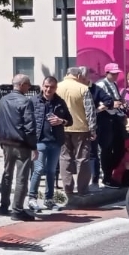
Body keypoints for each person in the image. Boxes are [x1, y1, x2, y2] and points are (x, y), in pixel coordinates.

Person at [0, 74, 39, 221]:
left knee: (7, 173)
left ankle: (3, 205)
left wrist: (1, 140)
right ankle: (17, 209)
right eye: (28, 84)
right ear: (21, 85)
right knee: (21, 176)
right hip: (21, 144)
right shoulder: (25, 102)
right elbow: (29, 126)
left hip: (7, 142)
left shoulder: (3, 100)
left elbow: (0, 121)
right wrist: (33, 146)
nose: (29, 87)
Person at [28, 76, 70, 212]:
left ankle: (49, 199)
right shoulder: (34, 101)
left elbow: (70, 120)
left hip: (55, 142)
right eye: (46, 86)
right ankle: (32, 198)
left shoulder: (59, 102)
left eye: (51, 87)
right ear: (42, 86)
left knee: (51, 171)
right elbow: (27, 120)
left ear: (55, 88)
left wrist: (61, 121)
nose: (48, 89)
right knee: (39, 169)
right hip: (39, 141)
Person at [56, 67, 96, 197]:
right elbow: (90, 111)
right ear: (78, 76)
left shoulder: (57, 87)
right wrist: (93, 129)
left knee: (64, 157)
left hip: (61, 127)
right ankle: (82, 189)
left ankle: (67, 188)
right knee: (82, 158)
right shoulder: (83, 88)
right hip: (81, 128)